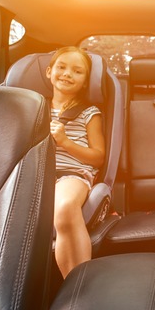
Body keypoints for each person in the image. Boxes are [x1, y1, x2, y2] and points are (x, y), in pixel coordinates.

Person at [46, 46, 105, 278]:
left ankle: (78, 283)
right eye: (61, 67)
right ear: (49, 72)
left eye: (77, 71)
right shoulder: (33, 107)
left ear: (85, 82)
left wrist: (65, 142)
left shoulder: (89, 113)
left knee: (65, 206)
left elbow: (98, 156)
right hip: (36, 174)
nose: (67, 74)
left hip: (72, 174)